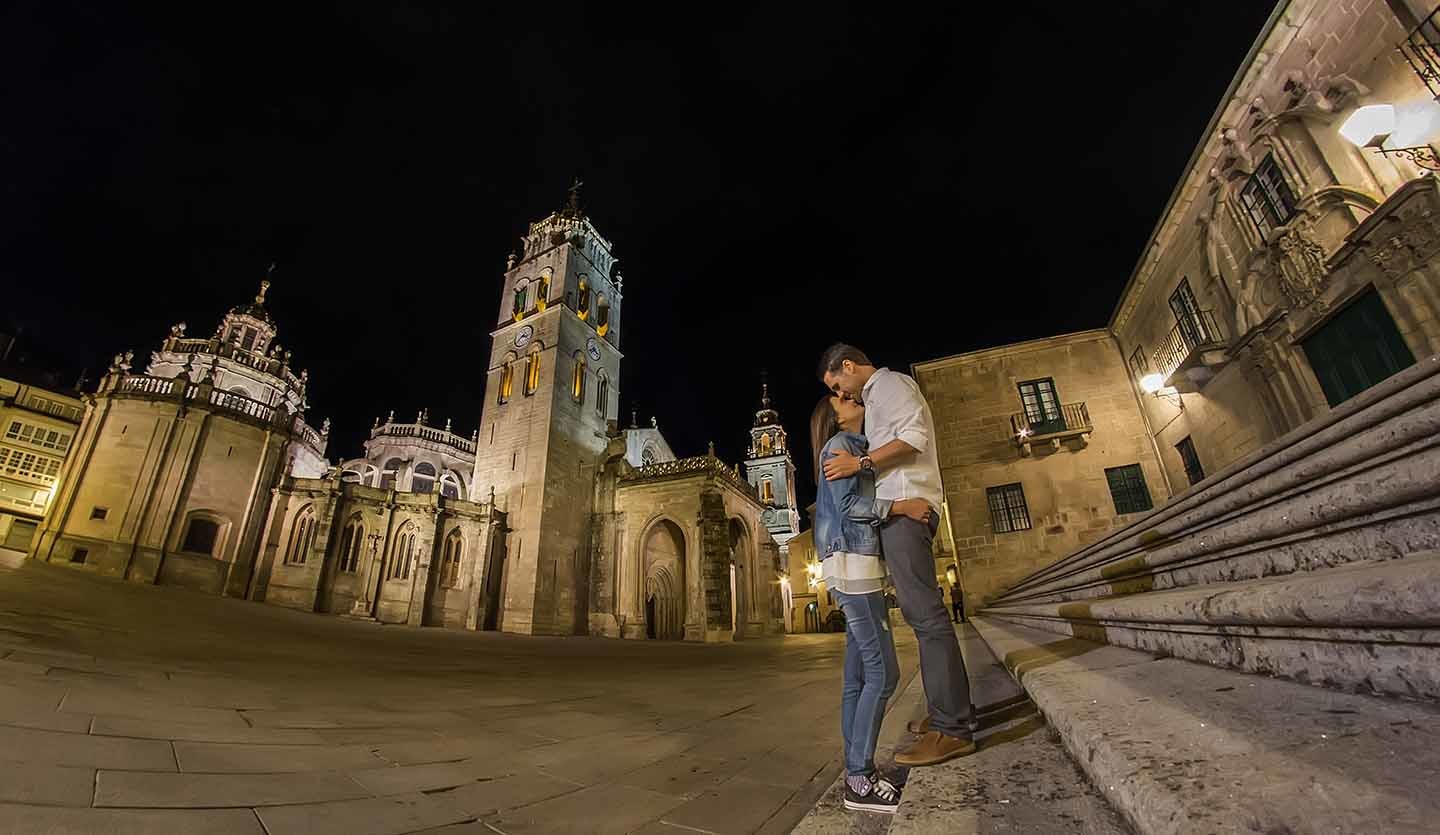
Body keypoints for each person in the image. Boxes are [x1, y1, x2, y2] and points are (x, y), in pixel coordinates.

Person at [819, 343, 977, 767]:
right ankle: (949, 711)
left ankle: (952, 728)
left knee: (925, 616)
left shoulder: (887, 386)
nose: (842, 395)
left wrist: (860, 464)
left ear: (848, 366)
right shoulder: (874, 399)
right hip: (900, 510)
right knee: (922, 615)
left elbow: (912, 439)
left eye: (838, 385)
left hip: (908, 508)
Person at [810, 393, 932, 814]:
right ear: (835, 418)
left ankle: (855, 771)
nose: (852, 399)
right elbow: (848, 506)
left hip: (848, 563)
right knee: (884, 672)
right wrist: (902, 506)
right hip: (854, 563)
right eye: (842, 399)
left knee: (858, 676)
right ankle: (859, 778)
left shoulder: (851, 447)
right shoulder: (840, 445)